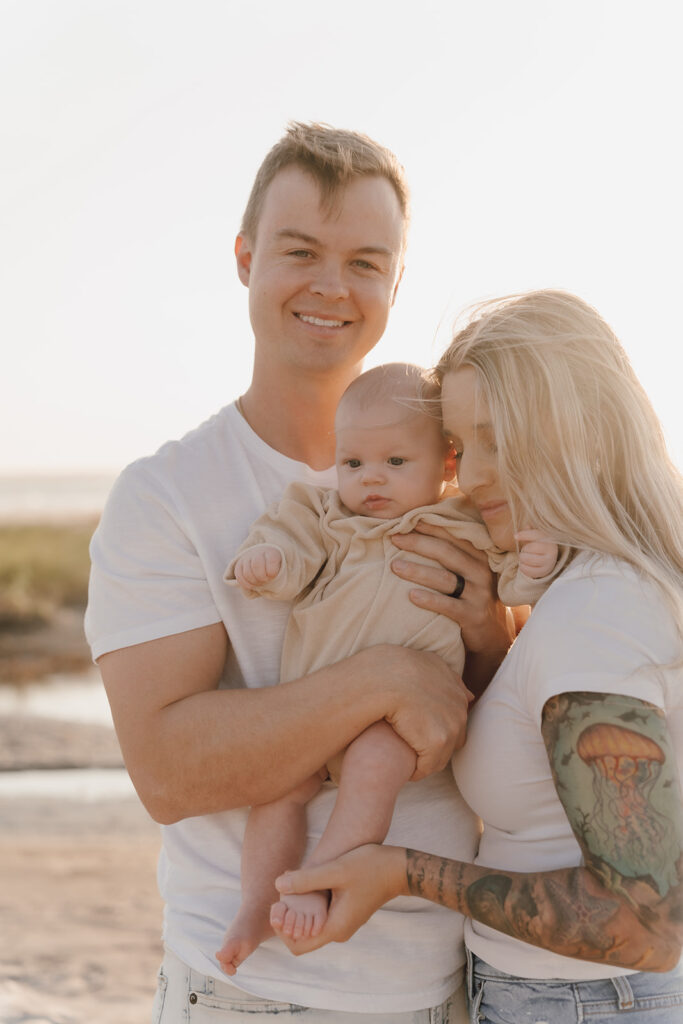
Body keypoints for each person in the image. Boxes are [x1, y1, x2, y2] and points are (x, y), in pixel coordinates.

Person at [84, 122, 518, 1022]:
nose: (331, 285)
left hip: (444, 984)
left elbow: (474, 722)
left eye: (365, 261)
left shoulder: (454, 474)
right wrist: (386, 678)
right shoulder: (167, 494)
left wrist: (482, 631)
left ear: (395, 283)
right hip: (257, 995)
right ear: (245, 258)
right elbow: (168, 773)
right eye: (299, 251)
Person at [273, 290, 683, 1023]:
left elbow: (641, 926)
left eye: (500, 439)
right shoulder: (584, 587)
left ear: (579, 430)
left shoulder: (596, 611)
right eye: (462, 447)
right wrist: (490, 640)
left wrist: (401, 871)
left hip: (579, 1003)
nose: (474, 475)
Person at [217, 361, 561, 973]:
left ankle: (325, 877)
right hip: (313, 710)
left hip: (398, 724)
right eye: (353, 463)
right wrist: (267, 561)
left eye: (396, 463)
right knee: (276, 793)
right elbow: (286, 540)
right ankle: (252, 906)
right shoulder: (325, 514)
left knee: (373, 769)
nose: (371, 479)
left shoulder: (465, 524)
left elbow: (512, 586)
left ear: (446, 466)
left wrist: (534, 560)